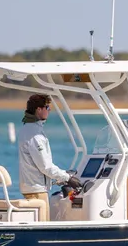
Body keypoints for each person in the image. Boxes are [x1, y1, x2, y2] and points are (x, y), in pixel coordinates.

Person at [18, 93, 82, 221]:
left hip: (31, 187)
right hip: (36, 190)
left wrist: (62, 176)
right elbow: (45, 166)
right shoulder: (35, 135)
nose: (49, 110)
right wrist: (68, 178)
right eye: (47, 107)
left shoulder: (27, 128)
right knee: (42, 226)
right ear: (38, 109)